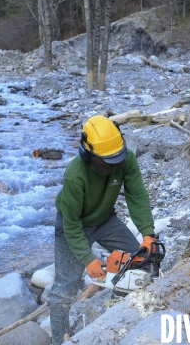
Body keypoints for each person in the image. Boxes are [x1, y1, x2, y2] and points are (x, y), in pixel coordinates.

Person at [49, 115, 156, 345]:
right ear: (88, 154)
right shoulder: (75, 175)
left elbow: (136, 195)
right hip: (74, 224)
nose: (113, 165)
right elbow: (71, 224)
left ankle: (117, 315)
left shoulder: (126, 159)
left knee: (139, 263)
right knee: (63, 291)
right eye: (107, 161)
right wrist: (88, 259)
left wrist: (148, 234)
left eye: (116, 159)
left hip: (105, 220)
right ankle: (60, 340)